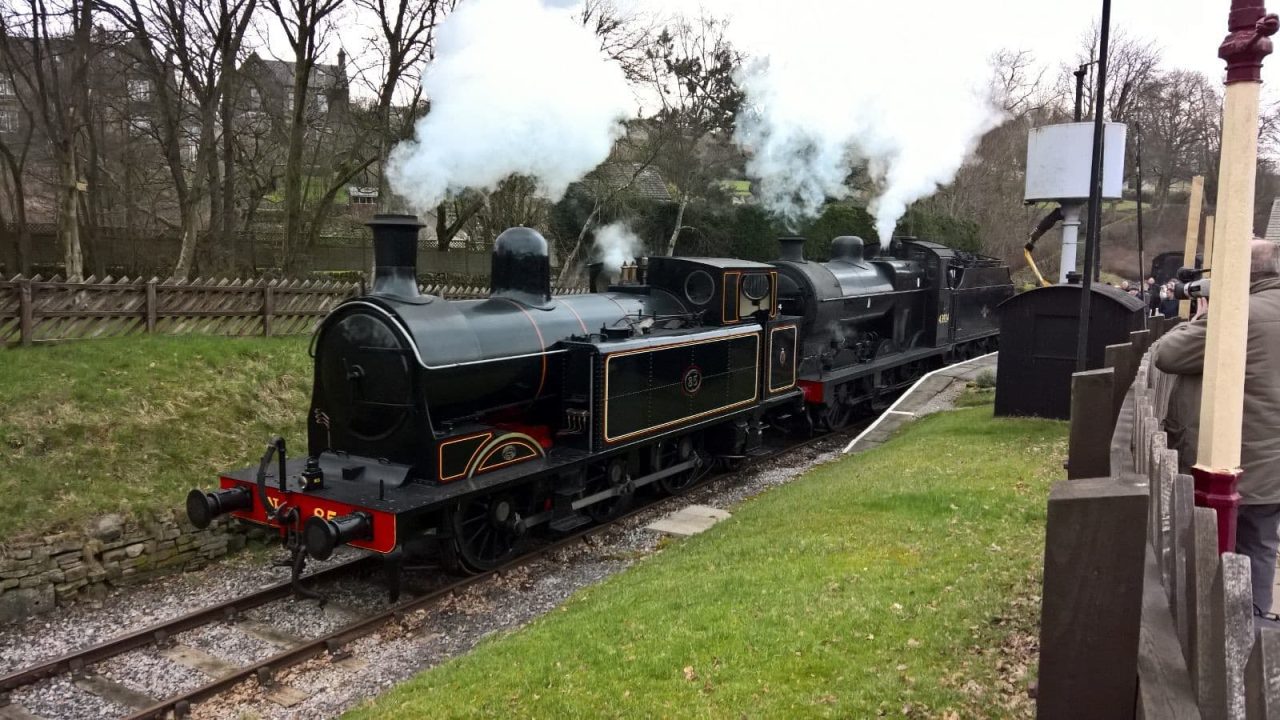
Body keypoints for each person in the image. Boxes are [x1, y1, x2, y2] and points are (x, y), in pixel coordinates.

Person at [1153, 239, 1280, 620]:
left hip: (1237, 456)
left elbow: (1167, 355)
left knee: (1220, 553)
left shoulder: (1238, 315)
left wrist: (1203, 316)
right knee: (1261, 546)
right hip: (1272, 463)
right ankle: (1257, 627)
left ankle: (1228, 639)